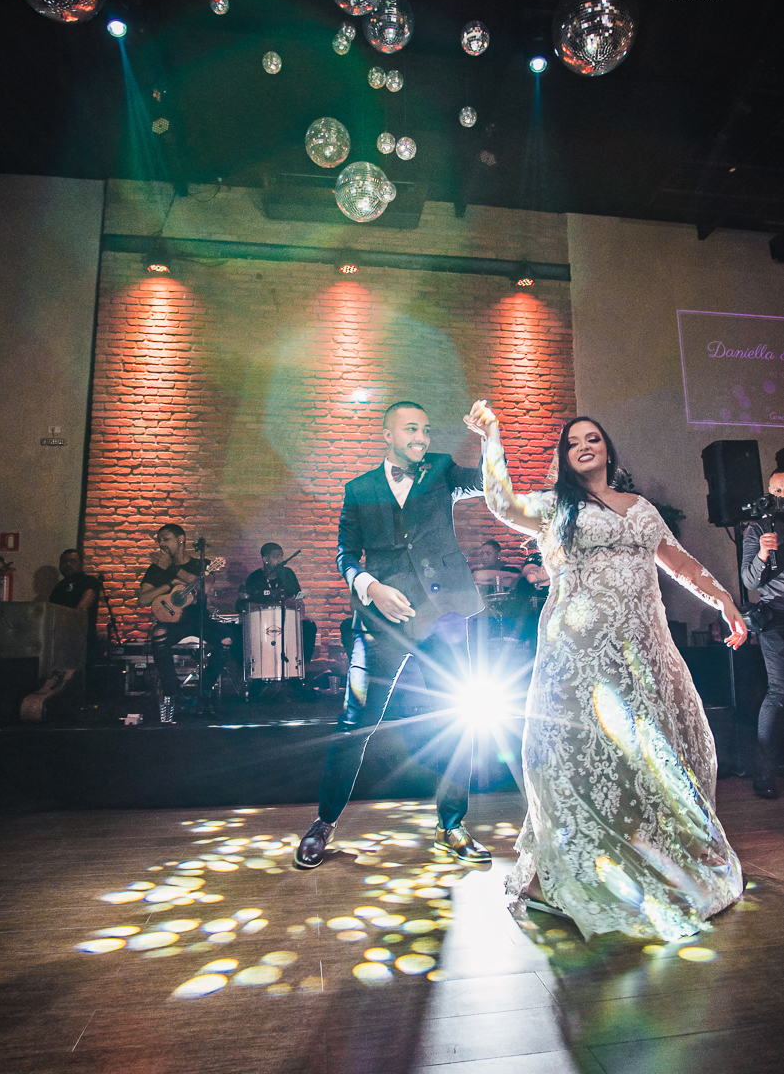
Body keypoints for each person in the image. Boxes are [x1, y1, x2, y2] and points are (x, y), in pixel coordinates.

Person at [464, 401, 746, 942]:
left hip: (644, 649)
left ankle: (659, 862)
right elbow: (501, 503)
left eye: (592, 438)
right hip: (579, 652)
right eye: (573, 442)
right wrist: (491, 438)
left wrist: (724, 600)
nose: (584, 446)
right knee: (581, 753)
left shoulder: (640, 507)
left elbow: (682, 565)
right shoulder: (554, 506)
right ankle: (576, 866)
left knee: (656, 752)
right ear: (564, 457)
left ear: (608, 451)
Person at [294, 401, 492, 870]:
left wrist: (490, 438)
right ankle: (324, 823)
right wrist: (371, 587)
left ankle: (451, 825)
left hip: (443, 617)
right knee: (354, 722)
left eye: (426, 430)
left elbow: (488, 482)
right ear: (388, 435)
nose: (421, 438)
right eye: (411, 429)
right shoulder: (359, 489)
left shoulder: (441, 470)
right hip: (380, 622)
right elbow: (345, 554)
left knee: (457, 718)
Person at [138, 524, 231, 722]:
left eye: (166, 538)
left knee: (226, 639)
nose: (161, 544)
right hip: (172, 622)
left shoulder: (201, 564)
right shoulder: (155, 569)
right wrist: (166, 585)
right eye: (159, 540)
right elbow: (143, 600)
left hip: (198, 619)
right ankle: (174, 693)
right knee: (158, 634)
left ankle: (204, 690)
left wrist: (171, 569)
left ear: (181, 539)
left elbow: (204, 588)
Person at [741, 468, 784, 799]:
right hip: (776, 615)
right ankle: (765, 772)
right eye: (776, 491)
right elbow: (750, 581)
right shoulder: (757, 528)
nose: (780, 497)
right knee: (779, 692)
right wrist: (763, 554)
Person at [237, 542, 317, 663]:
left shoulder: (287, 574)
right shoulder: (255, 577)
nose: (280, 559)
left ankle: (302, 665)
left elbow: (297, 599)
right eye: (276, 556)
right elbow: (246, 604)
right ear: (265, 559)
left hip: (287, 618)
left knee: (309, 626)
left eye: (281, 556)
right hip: (263, 621)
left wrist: (301, 614)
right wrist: (277, 605)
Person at [48, 549, 101, 666]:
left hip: (82, 639)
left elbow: (85, 603)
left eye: (73, 561)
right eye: (64, 561)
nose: (68, 564)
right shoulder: (59, 586)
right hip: (59, 640)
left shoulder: (89, 581)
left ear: (81, 564)